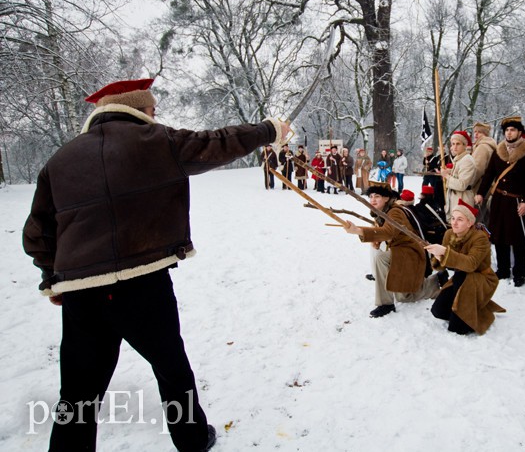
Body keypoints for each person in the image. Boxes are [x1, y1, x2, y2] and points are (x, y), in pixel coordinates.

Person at [22, 78, 289, 451]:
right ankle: (192, 439)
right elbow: (217, 143)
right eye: (152, 109)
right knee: (171, 368)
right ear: (139, 110)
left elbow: (38, 231)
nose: (154, 115)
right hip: (142, 283)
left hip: (81, 292)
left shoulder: (59, 160)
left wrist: (53, 276)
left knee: (79, 389)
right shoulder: (158, 141)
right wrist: (269, 129)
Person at [343, 182, 441, 317]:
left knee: (381, 259)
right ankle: (433, 281)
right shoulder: (380, 211)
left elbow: (389, 232)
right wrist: (375, 239)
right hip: (398, 252)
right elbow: (382, 232)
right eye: (371, 196)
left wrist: (358, 230)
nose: (373, 199)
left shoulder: (395, 211)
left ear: (386, 198)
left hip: (410, 253)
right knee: (404, 297)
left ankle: (386, 304)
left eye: (377, 196)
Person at [425, 200, 505, 335]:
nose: (454, 223)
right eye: (453, 218)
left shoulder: (480, 238)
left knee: (458, 328)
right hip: (460, 277)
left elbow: (471, 264)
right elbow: (445, 262)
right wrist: (438, 258)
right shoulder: (449, 234)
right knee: (438, 311)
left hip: (481, 277)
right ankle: (472, 306)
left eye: (460, 220)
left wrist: (444, 252)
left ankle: (477, 310)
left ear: (470, 223)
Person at [475, 116, 525, 287]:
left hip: (518, 201)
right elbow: (489, 175)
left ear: (519, 132)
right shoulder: (499, 150)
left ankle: (519, 273)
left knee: (519, 240)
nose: (509, 133)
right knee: (499, 237)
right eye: (507, 130)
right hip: (500, 200)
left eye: (513, 130)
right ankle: (502, 270)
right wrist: (481, 193)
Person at [440, 131, 477, 222]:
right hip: (456, 199)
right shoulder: (460, 159)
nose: (455, 147)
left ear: (464, 145)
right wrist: (450, 172)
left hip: (463, 199)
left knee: (462, 228)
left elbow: (462, 185)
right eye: (453, 144)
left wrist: (447, 176)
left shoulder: (467, 160)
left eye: (458, 144)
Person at [471, 121, 497, 192]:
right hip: (484, 187)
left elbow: (478, 169)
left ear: (485, 134)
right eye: (475, 131)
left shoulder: (482, 147)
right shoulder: (485, 145)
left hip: (478, 188)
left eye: (479, 132)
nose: (476, 134)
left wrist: (468, 184)